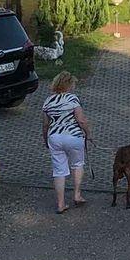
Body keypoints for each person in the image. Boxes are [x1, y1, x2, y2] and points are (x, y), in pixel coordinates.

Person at [43, 71, 90, 213]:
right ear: (69, 85)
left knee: (59, 170)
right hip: (73, 137)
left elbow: (45, 124)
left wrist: (45, 140)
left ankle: (61, 204)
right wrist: (88, 134)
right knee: (77, 164)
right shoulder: (72, 99)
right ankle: (77, 194)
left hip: (55, 137)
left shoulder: (48, 101)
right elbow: (81, 120)